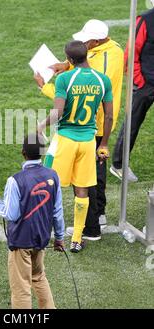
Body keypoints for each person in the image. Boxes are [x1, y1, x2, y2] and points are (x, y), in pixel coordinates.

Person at [34, 19, 123, 240]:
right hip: (95, 124)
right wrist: (66, 65)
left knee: (86, 177)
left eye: (86, 41)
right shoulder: (111, 49)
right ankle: (97, 216)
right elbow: (86, 69)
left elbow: (82, 91)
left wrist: (46, 87)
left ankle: (92, 225)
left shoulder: (102, 62)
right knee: (92, 174)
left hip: (90, 125)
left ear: (94, 41)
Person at [0, 133, 65, 309]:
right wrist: (59, 237)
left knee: (21, 288)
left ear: (23, 153)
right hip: (41, 240)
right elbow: (57, 211)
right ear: (42, 153)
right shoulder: (53, 175)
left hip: (21, 242)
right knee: (38, 277)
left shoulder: (15, 180)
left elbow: (10, 214)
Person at [110, 8, 154, 182]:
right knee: (132, 121)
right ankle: (118, 164)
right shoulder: (145, 20)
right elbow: (131, 51)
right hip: (146, 82)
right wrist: (139, 79)